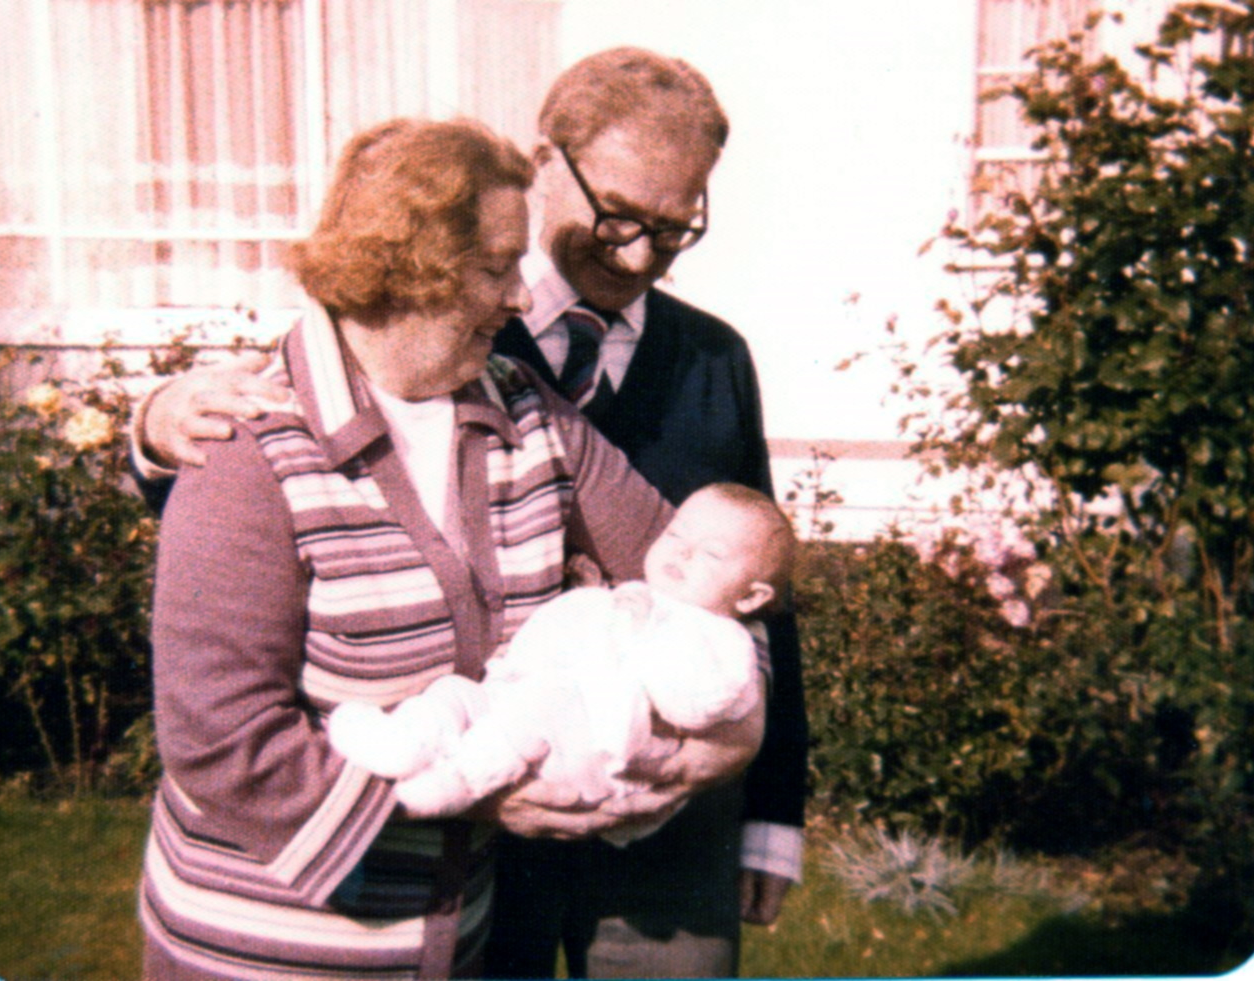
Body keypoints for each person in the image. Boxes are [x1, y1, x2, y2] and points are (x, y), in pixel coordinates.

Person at [133, 47, 809, 979]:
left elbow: (701, 568)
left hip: (459, 939)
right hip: (274, 944)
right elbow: (222, 741)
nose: (523, 294)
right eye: (497, 266)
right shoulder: (252, 443)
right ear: (410, 269)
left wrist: (740, 720)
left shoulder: (526, 409)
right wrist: (463, 799)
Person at [327, 483, 795, 850]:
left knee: (545, 702)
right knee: (458, 692)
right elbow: (550, 641)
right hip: (550, 717)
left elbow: (696, 705)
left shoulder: (721, 639)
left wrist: (643, 635)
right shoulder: (633, 595)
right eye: (675, 534)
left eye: (711, 554)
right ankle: (404, 740)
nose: (682, 553)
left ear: (751, 596)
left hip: (610, 755)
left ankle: (455, 783)